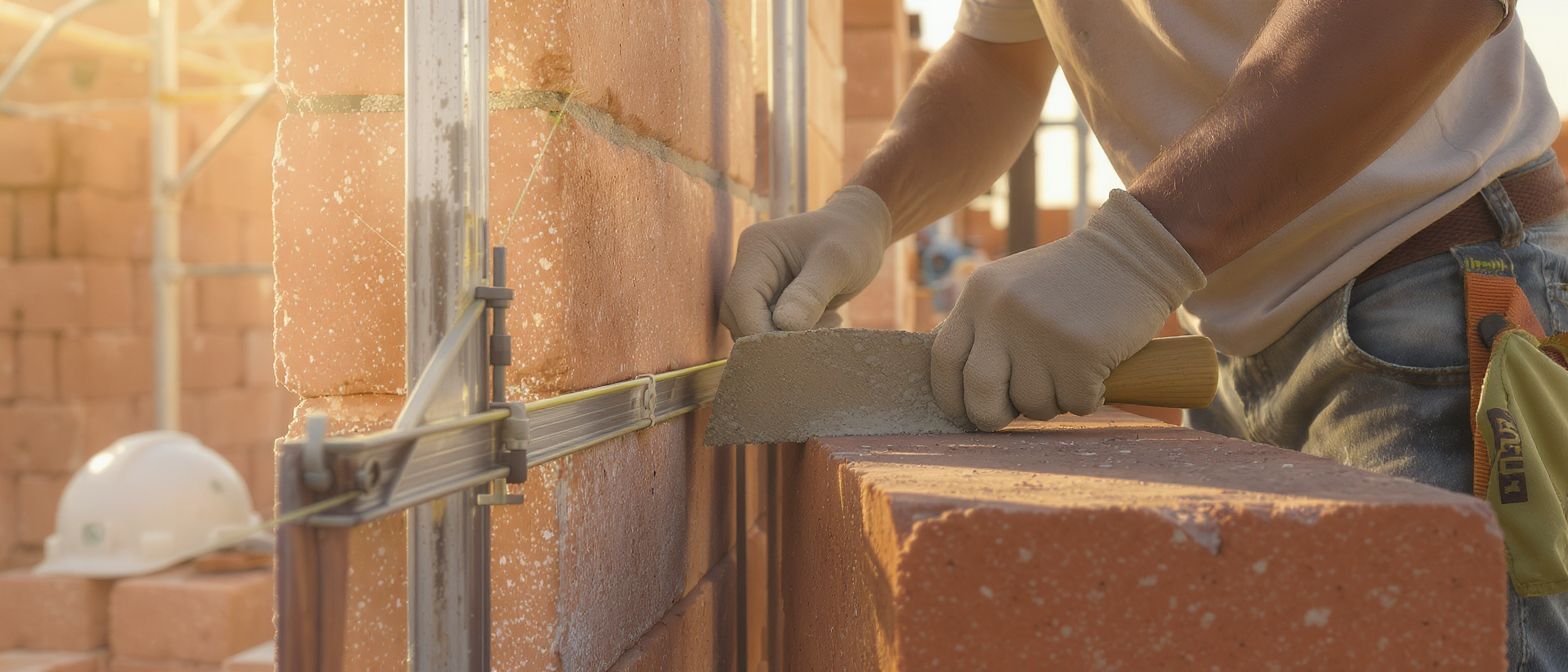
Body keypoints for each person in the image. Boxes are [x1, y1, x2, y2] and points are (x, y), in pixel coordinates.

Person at [717, 0, 1567, 667]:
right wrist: (866, 208)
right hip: (1234, 344)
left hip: (1442, 303)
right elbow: (1000, 56)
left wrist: (1136, 252)